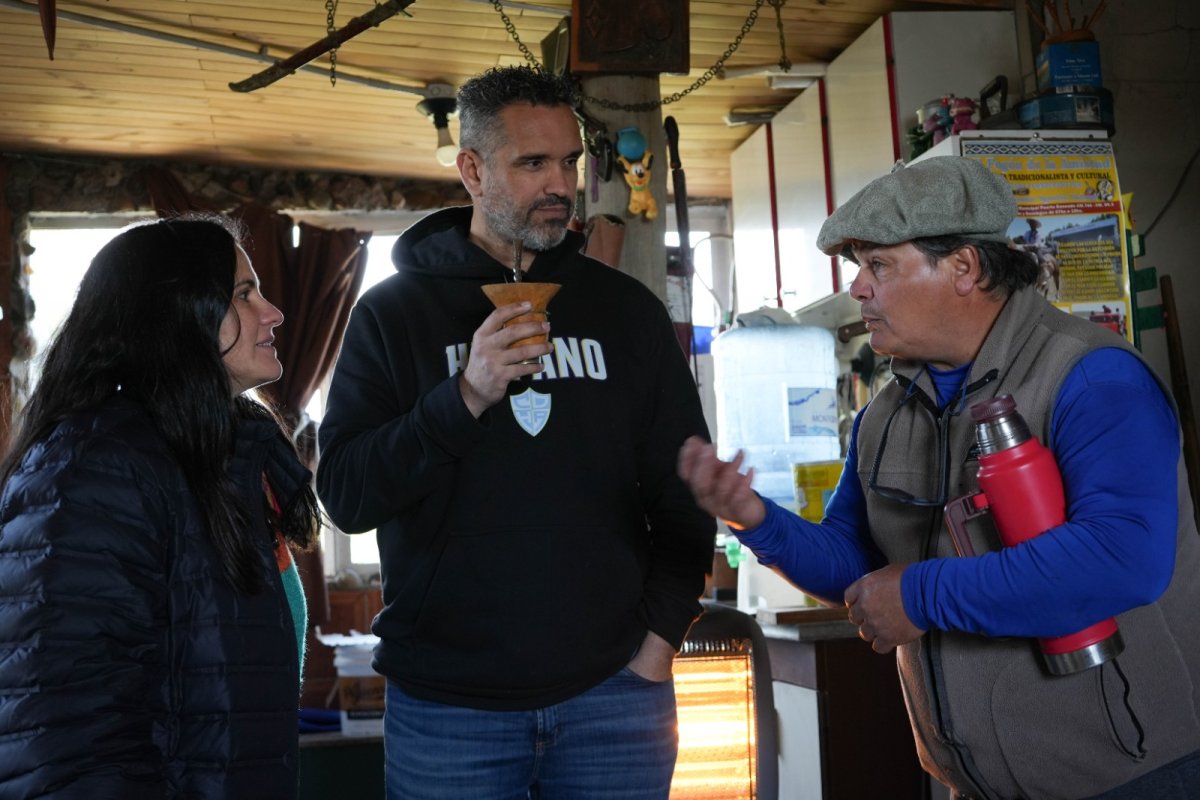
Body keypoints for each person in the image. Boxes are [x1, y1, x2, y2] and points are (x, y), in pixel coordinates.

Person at [677, 156, 1200, 799]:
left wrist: (922, 596)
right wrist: (753, 519)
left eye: (879, 266)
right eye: (857, 269)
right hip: (971, 783)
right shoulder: (886, 412)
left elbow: (1124, 560)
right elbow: (857, 567)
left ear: (963, 267)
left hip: (1127, 776)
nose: (859, 290)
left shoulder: (1092, 377)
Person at [315, 66, 714, 799]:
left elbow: (686, 489)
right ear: (471, 169)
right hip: (447, 708)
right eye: (532, 163)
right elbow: (345, 496)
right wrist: (465, 395)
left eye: (569, 161)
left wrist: (659, 643)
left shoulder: (626, 312)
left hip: (614, 699)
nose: (559, 184)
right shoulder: (392, 314)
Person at [0, 215, 321, 797]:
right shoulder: (93, 466)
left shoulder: (227, 456)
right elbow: (64, 725)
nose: (273, 313)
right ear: (174, 316)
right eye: (244, 295)